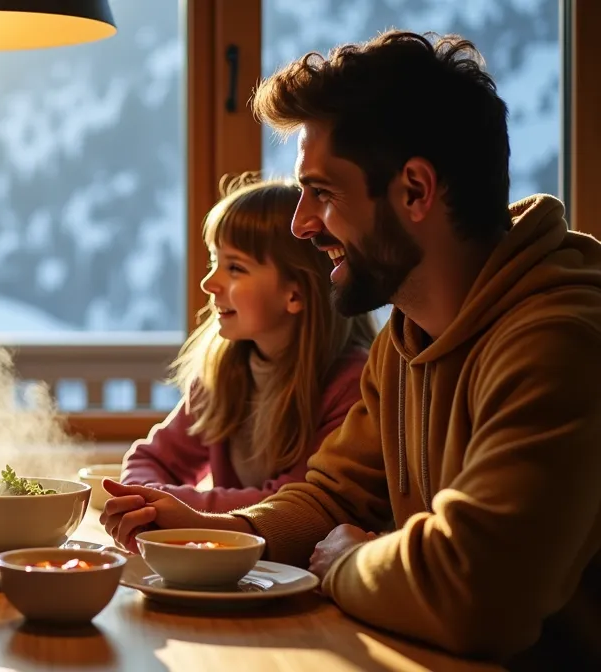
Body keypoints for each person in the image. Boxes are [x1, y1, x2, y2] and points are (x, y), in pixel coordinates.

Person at [101, 31, 601, 667]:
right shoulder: (407, 337)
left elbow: (480, 592)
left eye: (324, 194)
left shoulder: (559, 342)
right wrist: (219, 533)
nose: (302, 224)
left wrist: (348, 562)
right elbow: (334, 497)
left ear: (415, 191)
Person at [120, 176, 373, 512]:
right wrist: (147, 500)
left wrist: (169, 505)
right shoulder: (221, 376)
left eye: (235, 268)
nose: (209, 283)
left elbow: (292, 505)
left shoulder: (351, 388)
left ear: (295, 294)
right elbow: (152, 460)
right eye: (214, 262)